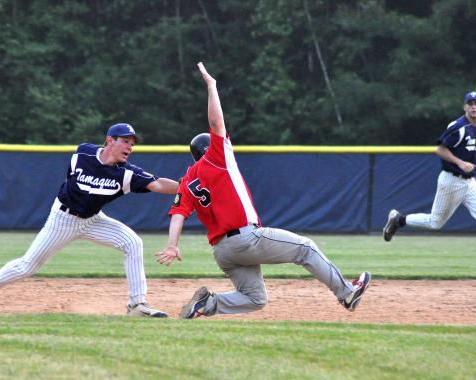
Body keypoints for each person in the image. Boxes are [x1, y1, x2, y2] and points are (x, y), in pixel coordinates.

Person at [155, 63, 371, 319]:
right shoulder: (217, 157)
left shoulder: (188, 180)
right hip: (246, 239)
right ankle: (346, 292)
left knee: (255, 298)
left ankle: (207, 304)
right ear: (210, 148)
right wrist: (212, 87)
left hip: (222, 252)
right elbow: (216, 121)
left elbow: (178, 214)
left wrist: (172, 246)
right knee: (306, 249)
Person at [0, 123, 179, 317]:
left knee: (133, 243)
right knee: (28, 266)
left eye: (132, 144)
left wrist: (186, 186)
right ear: (110, 140)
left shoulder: (127, 174)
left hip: (93, 220)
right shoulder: (83, 153)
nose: (130, 147)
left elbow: (158, 184)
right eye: (125, 141)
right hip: (63, 219)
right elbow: (70, 178)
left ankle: (137, 305)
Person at [383, 91, 476, 272]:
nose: (473, 106)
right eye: (470, 103)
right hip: (452, 181)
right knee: (435, 222)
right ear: (465, 107)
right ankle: (398, 220)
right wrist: (461, 163)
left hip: (469, 183)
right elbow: (440, 149)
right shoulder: (458, 127)